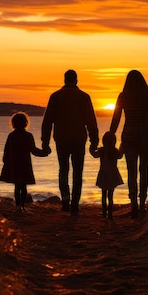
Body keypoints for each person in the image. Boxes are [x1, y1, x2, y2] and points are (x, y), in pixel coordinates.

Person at [41, 69, 99, 215]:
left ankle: (65, 199)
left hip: (61, 138)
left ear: (64, 79)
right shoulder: (84, 97)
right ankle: (75, 203)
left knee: (63, 169)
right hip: (79, 139)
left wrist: (45, 142)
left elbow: (47, 121)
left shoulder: (55, 96)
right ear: (76, 80)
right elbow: (91, 122)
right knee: (77, 172)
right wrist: (94, 142)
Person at [110, 70, 148, 218]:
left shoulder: (124, 96)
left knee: (131, 171)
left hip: (129, 137)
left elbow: (116, 118)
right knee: (143, 170)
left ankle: (133, 203)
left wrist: (110, 136)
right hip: (146, 136)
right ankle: (142, 204)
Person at [0, 112, 48, 211]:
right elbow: (33, 150)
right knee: (23, 186)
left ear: (13, 123)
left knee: (17, 186)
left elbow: (6, 151)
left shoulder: (11, 136)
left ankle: (18, 206)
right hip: (25, 164)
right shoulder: (28, 136)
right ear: (25, 123)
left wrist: (6, 162)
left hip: (14, 164)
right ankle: (22, 205)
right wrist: (44, 153)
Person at [92, 131, 124, 220]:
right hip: (112, 174)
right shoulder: (114, 151)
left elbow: (94, 155)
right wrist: (122, 146)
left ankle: (104, 213)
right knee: (110, 195)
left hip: (104, 173)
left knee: (103, 194)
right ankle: (110, 214)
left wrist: (92, 147)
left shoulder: (102, 150)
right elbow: (120, 156)